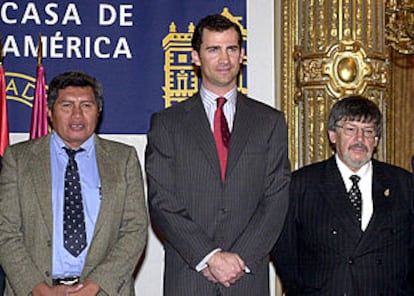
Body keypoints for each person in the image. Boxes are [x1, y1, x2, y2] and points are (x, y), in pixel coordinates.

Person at [145, 14, 290, 296]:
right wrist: (208, 256)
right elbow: (162, 201)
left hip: (246, 277)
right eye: (213, 49)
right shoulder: (167, 123)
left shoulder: (269, 121)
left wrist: (240, 259)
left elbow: (276, 197)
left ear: (242, 55)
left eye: (231, 49)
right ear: (196, 57)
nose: (224, 59)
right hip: (190, 276)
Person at [0, 71, 148, 296]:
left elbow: (134, 229)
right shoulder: (18, 159)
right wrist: (39, 289)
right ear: (49, 112)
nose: (77, 115)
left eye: (86, 105)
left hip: (103, 291)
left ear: (98, 111)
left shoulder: (123, 159)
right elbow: (5, 230)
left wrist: (95, 285)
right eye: (67, 106)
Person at [273, 95, 414, 295]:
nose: (359, 139)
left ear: (376, 140)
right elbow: (285, 252)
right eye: (350, 130)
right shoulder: (301, 185)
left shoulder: (403, 185)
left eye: (368, 131)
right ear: (332, 135)